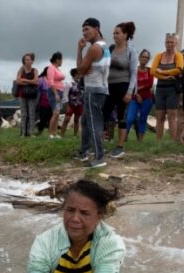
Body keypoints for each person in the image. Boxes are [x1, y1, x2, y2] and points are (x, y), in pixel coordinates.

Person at [74, 18, 112, 169]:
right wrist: (84, 67)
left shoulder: (94, 48)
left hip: (93, 90)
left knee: (94, 122)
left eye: (87, 29)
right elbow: (83, 69)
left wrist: (79, 50)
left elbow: (80, 70)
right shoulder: (104, 45)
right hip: (101, 89)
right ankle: (84, 151)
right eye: (83, 30)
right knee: (86, 121)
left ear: (96, 28)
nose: (84, 33)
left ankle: (99, 156)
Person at [103, 22, 138, 159]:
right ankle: (101, 143)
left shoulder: (131, 51)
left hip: (123, 86)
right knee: (104, 113)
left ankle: (120, 147)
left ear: (125, 35)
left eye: (117, 33)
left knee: (121, 116)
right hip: (108, 86)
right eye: (114, 33)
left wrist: (130, 91)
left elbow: (134, 73)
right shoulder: (110, 49)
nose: (114, 35)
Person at [151, 33, 184, 142]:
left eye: (172, 42)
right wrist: (167, 76)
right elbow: (152, 71)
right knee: (159, 116)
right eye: (167, 42)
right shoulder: (159, 56)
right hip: (160, 88)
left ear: (176, 43)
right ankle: (158, 142)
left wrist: (163, 72)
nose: (169, 44)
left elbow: (179, 69)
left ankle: (172, 142)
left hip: (172, 89)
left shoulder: (178, 56)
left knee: (172, 116)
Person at [125, 49, 153, 142]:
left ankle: (140, 141)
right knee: (129, 118)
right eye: (143, 56)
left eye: (146, 57)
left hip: (147, 99)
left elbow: (150, 84)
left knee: (143, 118)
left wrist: (139, 89)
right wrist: (136, 93)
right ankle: (124, 138)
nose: (144, 58)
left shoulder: (150, 71)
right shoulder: (134, 70)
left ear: (148, 59)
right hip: (134, 98)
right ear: (139, 57)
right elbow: (130, 84)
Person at [17, 53, 39, 137]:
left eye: (28, 59)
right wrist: (30, 81)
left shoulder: (35, 70)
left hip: (32, 95)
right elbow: (18, 81)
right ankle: (23, 133)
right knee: (23, 114)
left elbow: (36, 81)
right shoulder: (21, 70)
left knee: (31, 113)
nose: (27, 61)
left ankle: (31, 132)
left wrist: (25, 80)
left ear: (32, 61)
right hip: (22, 95)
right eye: (25, 59)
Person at [46, 52, 65, 139]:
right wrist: (56, 93)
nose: (62, 61)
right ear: (57, 59)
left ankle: (55, 132)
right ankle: (50, 133)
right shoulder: (51, 68)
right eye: (61, 59)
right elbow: (50, 81)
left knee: (58, 113)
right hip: (54, 92)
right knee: (55, 113)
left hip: (60, 91)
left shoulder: (57, 69)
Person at [60, 68, 84, 137]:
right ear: (76, 74)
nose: (80, 75)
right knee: (67, 119)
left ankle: (75, 135)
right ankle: (62, 135)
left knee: (76, 119)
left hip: (79, 103)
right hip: (70, 104)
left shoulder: (80, 83)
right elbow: (65, 94)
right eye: (79, 74)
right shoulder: (68, 83)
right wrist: (67, 105)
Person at [36, 67, 53, 135]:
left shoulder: (52, 79)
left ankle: (51, 132)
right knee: (43, 118)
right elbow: (37, 90)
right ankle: (39, 131)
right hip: (43, 102)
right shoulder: (41, 79)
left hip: (51, 102)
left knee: (51, 118)